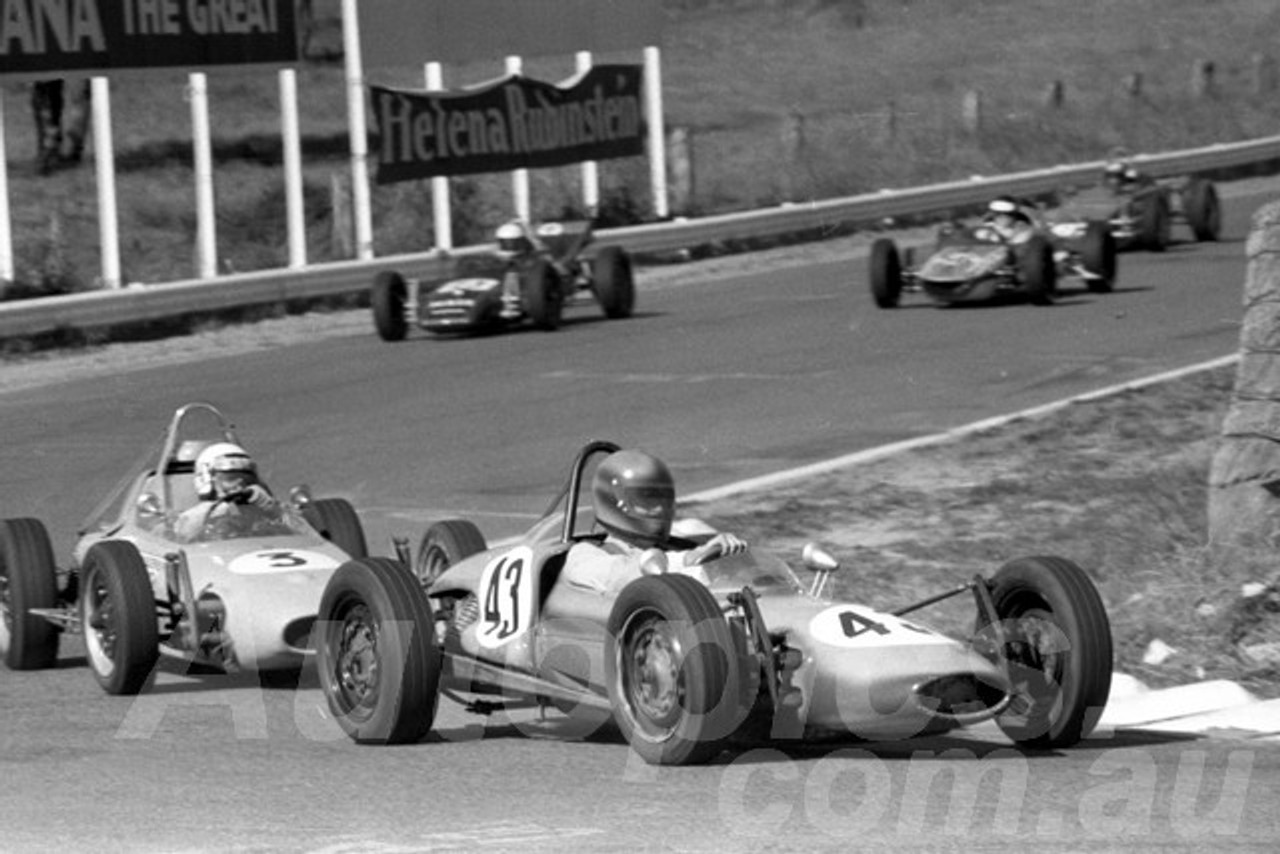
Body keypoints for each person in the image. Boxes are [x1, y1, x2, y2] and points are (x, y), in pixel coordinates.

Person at [560, 449, 748, 597]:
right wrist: (688, 559)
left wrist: (732, 552)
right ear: (614, 501)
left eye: (664, 499)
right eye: (647, 499)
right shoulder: (584, 556)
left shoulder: (687, 535)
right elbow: (623, 576)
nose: (659, 509)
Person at [173, 442, 279, 541]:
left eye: (247, 479)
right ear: (207, 479)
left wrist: (273, 510)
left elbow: (294, 535)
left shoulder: (262, 514)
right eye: (231, 478)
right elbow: (182, 533)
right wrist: (224, 507)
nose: (240, 485)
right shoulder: (192, 518)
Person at [494, 220, 538, 319]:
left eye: (512, 242)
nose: (509, 245)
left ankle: (512, 305)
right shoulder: (495, 254)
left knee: (512, 275)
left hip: (523, 284)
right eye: (505, 242)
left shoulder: (530, 253)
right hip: (497, 282)